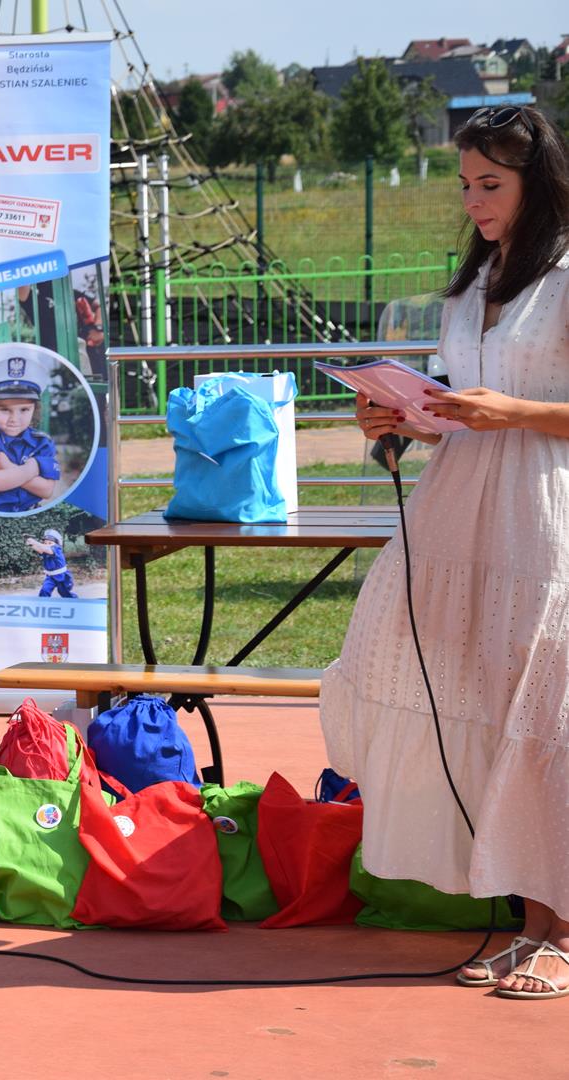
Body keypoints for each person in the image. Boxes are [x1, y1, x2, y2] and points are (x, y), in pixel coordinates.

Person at [320, 104, 569, 1001]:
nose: (473, 201)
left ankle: (562, 931)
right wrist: (395, 417)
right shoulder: (473, 285)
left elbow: (528, 412)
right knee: (490, 706)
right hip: (459, 513)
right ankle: (531, 920)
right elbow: (458, 416)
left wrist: (518, 415)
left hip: (546, 519)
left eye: (490, 184)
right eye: (465, 184)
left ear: (537, 182)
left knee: (547, 711)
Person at [0, 356, 60, 513]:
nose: (14, 419)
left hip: (31, 512)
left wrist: (6, 466)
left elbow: (46, 490)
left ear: (34, 409)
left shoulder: (43, 442)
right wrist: (34, 467)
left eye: (24, 410)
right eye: (4, 409)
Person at [27, 528, 77, 598]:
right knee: (44, 590)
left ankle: (75, 603)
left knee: (65, 593)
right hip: (51, 577)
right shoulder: (46, 550)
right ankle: (43, 604)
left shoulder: (56, 549)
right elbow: (40, 550)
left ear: (57, 544)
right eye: (45, 543)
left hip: (62, 576)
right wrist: (31, 544)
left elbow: (46, 549)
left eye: (50, 543)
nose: (47, 545)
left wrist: (35, 542)